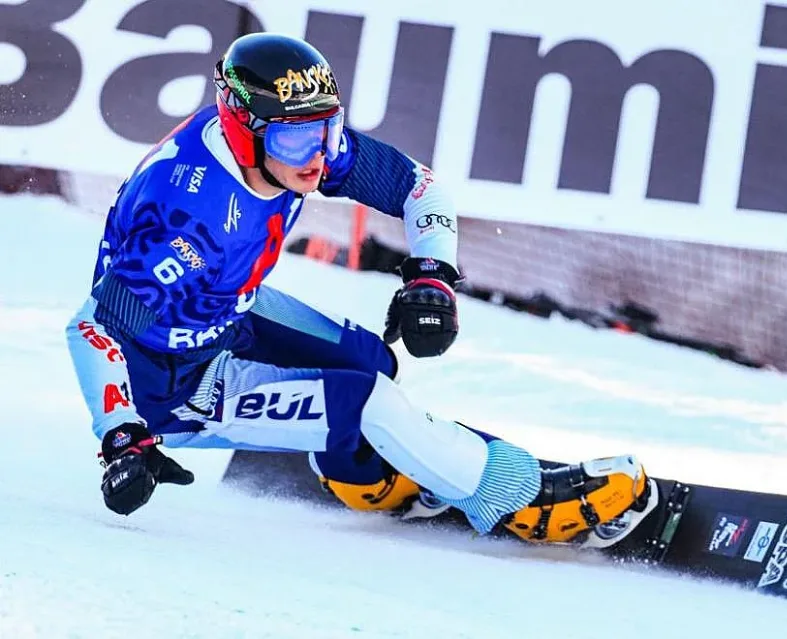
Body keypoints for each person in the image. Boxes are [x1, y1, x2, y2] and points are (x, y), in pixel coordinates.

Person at [65, 32, 654, 547]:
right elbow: (94, 326)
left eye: (327, 130)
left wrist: (431, 274)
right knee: (368, 399)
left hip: (224, 311)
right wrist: (123, 438)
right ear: (246, 135)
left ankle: (365, 477)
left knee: (373, 362)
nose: (319, 157)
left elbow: (418, 186)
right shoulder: (188, 224)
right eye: (298, 141)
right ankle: (516, 497)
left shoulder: (281, 139)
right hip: (173, 385)